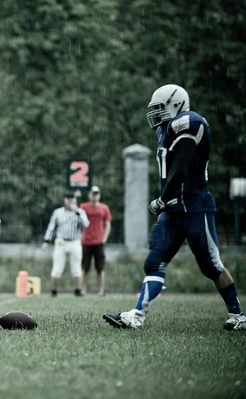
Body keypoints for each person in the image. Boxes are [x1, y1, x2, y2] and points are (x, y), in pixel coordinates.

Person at [104, 84, 246, 330]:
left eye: (159, 108)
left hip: (194, 208)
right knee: (155, 260)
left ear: (176, 104)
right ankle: (136, 316)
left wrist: (162, 198)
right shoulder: (164, 130)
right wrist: (165, 202)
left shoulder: (190, 122)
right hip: (172, 211)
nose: (156, 114)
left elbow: (181, 165)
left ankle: (237, 315)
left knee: (211, 265)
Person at [42, 191, 89, 297]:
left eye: (72, 198)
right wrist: (46, 240)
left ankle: (78, 290)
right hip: (61, 242)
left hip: (75, 242)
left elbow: (86, 224)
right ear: (64, 199)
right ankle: (54, 291)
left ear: (75, 200)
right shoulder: (58, 212)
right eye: (68, 198)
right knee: (57, 268)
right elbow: (51, 227)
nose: (70, 200)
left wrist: (76, 211)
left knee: (76, 268)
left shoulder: (80, 212)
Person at [80, 186, 112, 296]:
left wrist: (105, 238)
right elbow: (78, 221)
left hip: (99, 242)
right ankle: (83, 290)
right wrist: (80, 236)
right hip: (86, 241)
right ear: (89, 195)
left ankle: (101, 290)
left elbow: (108, 224)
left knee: (100, 268)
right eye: (93, 194)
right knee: (85, 267)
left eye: (96, 194)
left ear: (99, 195)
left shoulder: (104, 208)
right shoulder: (84, 207)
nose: (94, 196)